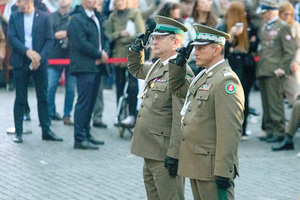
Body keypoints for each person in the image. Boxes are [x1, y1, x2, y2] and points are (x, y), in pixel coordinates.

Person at [168, 24, 244, 200]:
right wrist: (178, 66)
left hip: (212, 168)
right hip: (198, 164)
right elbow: (176, 89)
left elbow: (230, 131)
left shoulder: (226, 81)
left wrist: (224, 169)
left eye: (200, 48)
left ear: (217, 50)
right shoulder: (203, 75)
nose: (195, 52)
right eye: (195, 48)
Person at [127, 15, 194, 199]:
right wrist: (136, 50)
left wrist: (174, 154)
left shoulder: (181, 73)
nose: (154, 41)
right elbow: (136, 70)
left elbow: (181, 118)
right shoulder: (159, 66)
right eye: (154, 37)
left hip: (164, 153)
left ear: (176, 42)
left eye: (160, 38)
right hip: (149, 150)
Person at [8, 0, 63, 143]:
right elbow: (12, 38)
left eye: (19, 1)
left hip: (39, 63)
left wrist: (39, 57)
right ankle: (18, 132)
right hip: (21, 61)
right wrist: (27, 52)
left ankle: (46, 130)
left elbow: (49, 40)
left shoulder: (44, 17)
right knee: (20, 97)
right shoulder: (14, 16)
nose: (17, 4)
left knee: (43, 97)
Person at [67, 0, 110, 150]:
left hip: (96, 66)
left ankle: (86, 133)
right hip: (84, 66)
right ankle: (79, 138)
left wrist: (105, 52)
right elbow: (80, 43)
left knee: (91, 102)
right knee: (84, 102)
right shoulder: (77, 18)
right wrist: (99, 54)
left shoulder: (95, 16)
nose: (95, 1)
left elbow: (102, 39)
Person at [216, 2, 259, 140]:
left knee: (243, 99)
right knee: (230, 100)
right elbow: (221, 50)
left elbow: (253, 47)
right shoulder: (223, 27)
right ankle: (230, 130)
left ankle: (242, 129)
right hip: (232, 67)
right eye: (242, 13)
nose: (245, 15)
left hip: (245, 69)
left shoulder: (249, 27)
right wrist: (231, 35)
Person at [257, 0, 296, 143]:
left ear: (270, 11)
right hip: (263, 69)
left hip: (275, 70)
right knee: (266, 103)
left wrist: (283, 68)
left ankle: (279, 131)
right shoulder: (265, 27)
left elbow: (289, 50)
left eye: (264, 13)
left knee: (275, 103)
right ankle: (270, 130)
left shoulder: (283, 26)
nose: (263, 16)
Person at [107, 0, 144, 127]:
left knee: (133, 86)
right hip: (117, 57)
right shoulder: (112, 16)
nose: (119, 2)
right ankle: (119, 114)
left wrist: (122, 39)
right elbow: (108, 35)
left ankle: (132, 115)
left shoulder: (135, 14)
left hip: (132, 56)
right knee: (119, 86)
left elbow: (140, 34)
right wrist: (119, 34)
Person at [47, 0, 76, 125]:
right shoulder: (51, 16)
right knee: (50, 87)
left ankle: (67, 115)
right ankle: (49, 113)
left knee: (70, 89)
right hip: (54, 56)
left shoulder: (75, 16)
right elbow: (45, 34)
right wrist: (55, 35)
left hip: (71, 56)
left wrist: (69, 34)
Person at [183, 0, 218, 75]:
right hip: (194, 59)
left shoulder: (216, 23)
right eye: (203, 3)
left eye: (208, 2)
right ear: (197, 6)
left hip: (212, 59)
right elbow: (185, 42)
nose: (206, 4)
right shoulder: (189, 22)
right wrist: (199, 54)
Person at [278, 1, 300, 106]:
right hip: (278, 63)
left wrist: (296, 61)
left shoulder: (295, 25)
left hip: (291, 65)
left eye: (290, 14)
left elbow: (299, 46)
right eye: (285, 14)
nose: (288, 17)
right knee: (277, 98)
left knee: (295, 96)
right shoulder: (276, 25)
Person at [92, 0, 108, 128]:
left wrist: (104, 53)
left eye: (99, 5)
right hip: (88, 59)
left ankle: (97, 117)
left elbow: (107, 39)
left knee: (99, 91)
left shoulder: (103, 20)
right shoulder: (81, 17)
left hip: (101, 61)